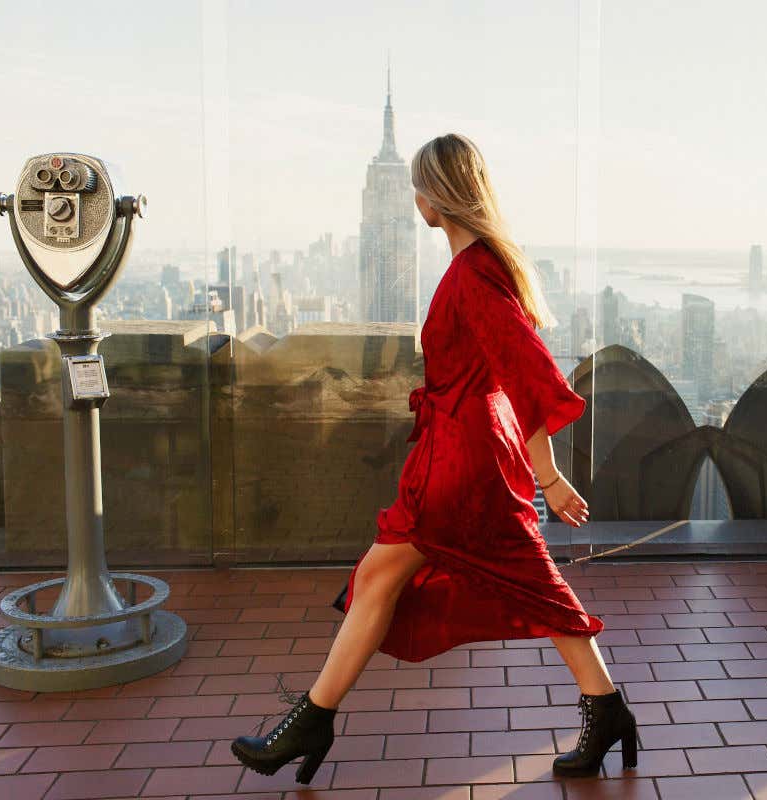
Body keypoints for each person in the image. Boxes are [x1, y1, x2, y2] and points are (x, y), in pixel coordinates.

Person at [229, 133, 639, 784]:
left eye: (417, 187)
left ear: (434, 201)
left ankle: (310, 722)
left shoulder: (474, 273)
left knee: (495, 581)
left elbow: (527, 373)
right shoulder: (484, 265)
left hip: (463, 462)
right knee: (388, 579)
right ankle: (311, 720)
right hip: (458, 451)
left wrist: (551, 478)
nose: (414, 198)